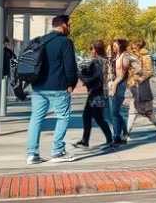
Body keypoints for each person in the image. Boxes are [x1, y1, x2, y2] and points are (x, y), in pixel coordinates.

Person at [26, 14, 78, 165]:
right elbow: (70, 66)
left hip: (38, 87)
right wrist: (71, 84)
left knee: (36, 119)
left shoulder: (40, 41)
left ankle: (32, 154)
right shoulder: (65, 42)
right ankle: (57, 152)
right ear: (63, 25)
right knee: (62, 117)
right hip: (58, 87)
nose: (70, 28)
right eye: (69, 25)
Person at [72, 40, 113, 149]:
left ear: (96, 49)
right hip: (98, 92)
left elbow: (95, 77)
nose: (90, 51)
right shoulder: (103, 61)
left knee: (91, 116)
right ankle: (103, 139)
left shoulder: (98, 62)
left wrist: (81, 75)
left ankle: (90, 140)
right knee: (95, 116)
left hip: (96, 92)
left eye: (92, 49)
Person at [126, 38, 156, 140]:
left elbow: (150, 72)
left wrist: (139, 78)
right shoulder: (131, 56)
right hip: (134, 87)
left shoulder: (146, 57)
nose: (133, 46)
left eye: (135, 45)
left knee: (148, 112)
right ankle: (126, 134)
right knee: (132, 111)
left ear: (139, 45)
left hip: (143, 87)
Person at [108, 38, 131, 147]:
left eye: (116, 45)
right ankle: (124, 133)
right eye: (113, 45)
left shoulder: (124, 57)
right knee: (113, 112)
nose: (114, 47)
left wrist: (114, 87)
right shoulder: (115, 57)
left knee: (114, 112)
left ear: (121, 46)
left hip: (120, 85)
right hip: (113, 84)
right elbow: (111, 73)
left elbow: (121, 76)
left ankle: (116, 137)